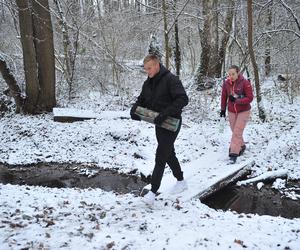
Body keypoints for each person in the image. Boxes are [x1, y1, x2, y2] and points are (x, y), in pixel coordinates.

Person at [130, 54, 189, 205]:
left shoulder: (171, 79)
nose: (147, 71)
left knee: (161, 155)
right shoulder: (148, 83)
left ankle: (153, 192)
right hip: (159, 123)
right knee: (169, 154)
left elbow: (183, 99)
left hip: (172, 123)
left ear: (157, 65)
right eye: (145, 69)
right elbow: (142, 99)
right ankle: (181, 181)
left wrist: (165, 114)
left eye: (149, 68)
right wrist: (135, 109)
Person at [220, 65, 254, 164]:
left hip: (243, 111)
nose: (231, 76)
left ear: (238, 72)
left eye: (233, 74)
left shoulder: (245, 83)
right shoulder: (226, 84)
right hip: (231, 111)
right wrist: (222, 110)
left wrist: (237, 100)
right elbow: (223, 97)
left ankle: (233, 153)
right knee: (234, 130)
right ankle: (242, 146)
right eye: (229, 74)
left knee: (237, 131)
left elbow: (250, 98)